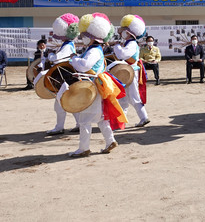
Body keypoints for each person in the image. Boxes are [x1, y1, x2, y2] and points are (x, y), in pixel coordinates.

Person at [61, 13, 122, 157]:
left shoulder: (94, 50)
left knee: (84, 120)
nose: (82, 37)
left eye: (84, 34)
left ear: (92, 36)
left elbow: (84, 66)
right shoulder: (93, 49)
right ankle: (110, 141)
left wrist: (73, 59)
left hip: (90, 87)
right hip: (94, 86)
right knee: (100, 118)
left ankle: (84, 149)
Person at [42, 13, 80, 136]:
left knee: (60, 104)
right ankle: (78, 124)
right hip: (66, 77)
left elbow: (57, 59)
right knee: (70, 102)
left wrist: (51, 55)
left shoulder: (68, 46)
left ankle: (60, 127)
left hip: (65, 77)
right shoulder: (67, 44)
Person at [113, 15, 150, 128]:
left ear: (130, 33)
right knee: (123, 98)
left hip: (130, 73)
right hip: (126, 73)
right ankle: (122, 122)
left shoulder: (132, 44)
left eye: (124, 31)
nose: (122, 33)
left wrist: (117, 47)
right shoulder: (129, 43)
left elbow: (122, 54)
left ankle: (143, 117)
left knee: (133, 97)